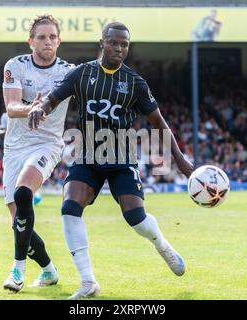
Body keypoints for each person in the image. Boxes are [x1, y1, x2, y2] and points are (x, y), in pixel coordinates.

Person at [28, 22, 194, 299]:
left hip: (121, 157)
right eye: (114, 42)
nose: (119, 48)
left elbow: (159, 123)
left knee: (136, 219)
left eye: (124, 44)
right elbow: (53, 98)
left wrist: (180, 160)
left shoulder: (136, 83)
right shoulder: (82, 74)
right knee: (69, 207)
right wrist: (40, 108)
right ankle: (88, 281)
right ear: (102, 43)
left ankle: (162, 245)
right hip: (88, 156)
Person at [2, 14, 75, 292]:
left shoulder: (70, 72)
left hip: (47, 144)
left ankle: (17, 271)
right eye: (41, 37)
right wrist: (32, 108)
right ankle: (48, 271)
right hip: (15, 146)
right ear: (30, 41)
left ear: (59, 41)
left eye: (52, 37)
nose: (47, 41)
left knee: (23, 193)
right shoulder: (15, 66)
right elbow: (11, 107)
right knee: (17, 221)